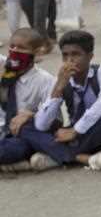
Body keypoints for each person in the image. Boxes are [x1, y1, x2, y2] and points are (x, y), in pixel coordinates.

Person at [20, 31, 101, 173]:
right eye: (65, 55)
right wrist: (58, 89)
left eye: (75, 54)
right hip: (76, 136)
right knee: (27, 126)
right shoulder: (62, 79)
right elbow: (42, 124)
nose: (69, 61)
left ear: (90, 56)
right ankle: (84, 158)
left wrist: (76, 130)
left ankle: (57, 155)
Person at [0, 28, 57, 173]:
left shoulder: (45, 80)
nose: (14, 51)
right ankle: (16, 165)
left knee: (15, 148)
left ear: (37, 52)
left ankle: (13, 163)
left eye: (21, 48)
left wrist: (31, 114)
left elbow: (54, 120)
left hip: (17, 135)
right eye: (12, 46)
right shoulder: (5, 67)